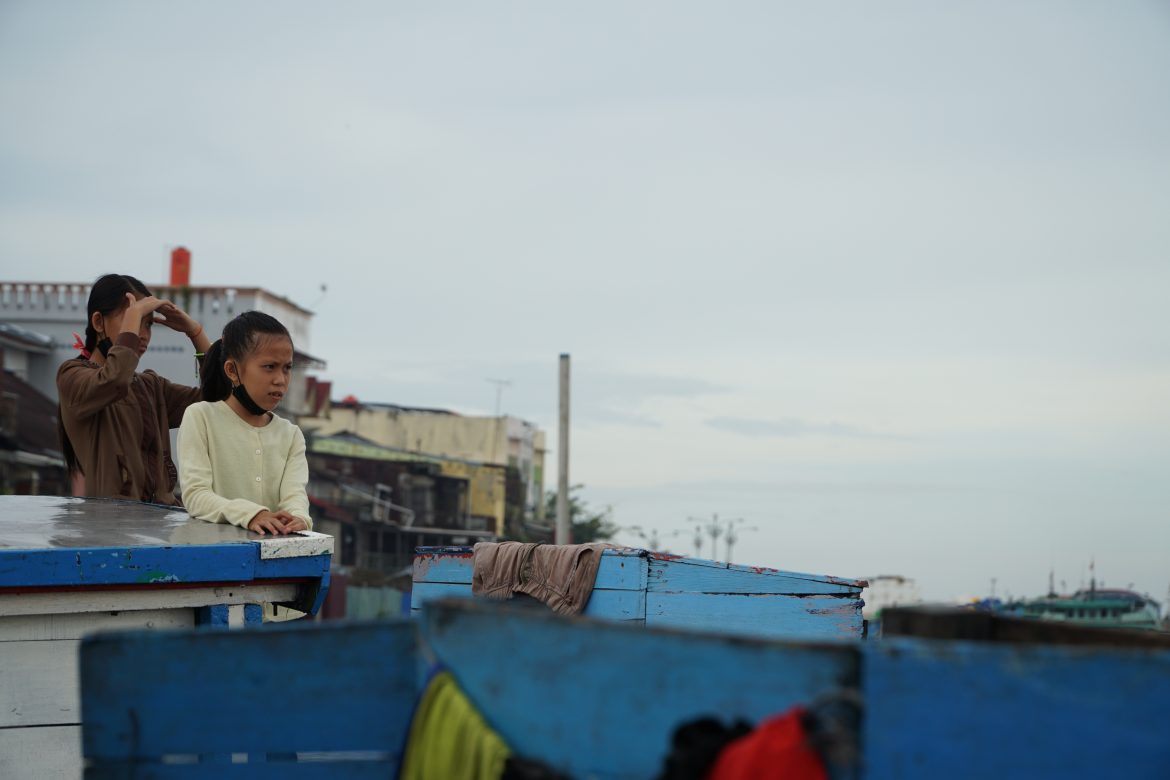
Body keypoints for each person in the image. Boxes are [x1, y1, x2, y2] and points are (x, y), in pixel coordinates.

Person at [57, 274, 211, 503]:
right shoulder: (72, 375)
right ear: (98, 322)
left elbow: (216, 399)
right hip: (110, 522)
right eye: (133, 319)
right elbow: (114, 380)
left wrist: (196, 332)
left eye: (148, 324)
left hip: (160, 521)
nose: (143, 335)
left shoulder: (151, 386)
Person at [177, 310, 312, 535]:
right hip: (213, 552)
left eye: (287, 368)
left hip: (272, 554)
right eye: (269, 367)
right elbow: (196, 496)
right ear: (232, 370)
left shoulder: (291, 435)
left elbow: (295, 496)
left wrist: (297, 518)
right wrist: (252, 515)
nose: (280, 379)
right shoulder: (201, 417)